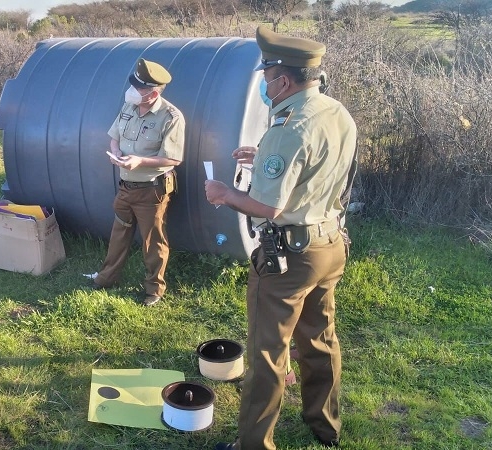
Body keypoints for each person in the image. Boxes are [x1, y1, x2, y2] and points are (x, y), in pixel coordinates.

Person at [205, 26, 357, 449]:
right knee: (320, 339)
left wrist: (225, 194)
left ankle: (253, 445)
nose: (265, 85)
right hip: (330, 244)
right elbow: (319, 169)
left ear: (284, 80)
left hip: (291, 256)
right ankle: (326, 427)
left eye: (267, 76)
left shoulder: (287, 127)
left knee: (268, 355)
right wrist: (265, 158)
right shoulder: (335, 112)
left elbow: (268, 208)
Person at [90, 58, 186, 306]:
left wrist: (139, 161)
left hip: (151, 190)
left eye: (139, 89)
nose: (132, 91)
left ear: (152, 94)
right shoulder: (128, 107)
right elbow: (114, 137)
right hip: (125, 186)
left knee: (153, 241)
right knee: (119, 232)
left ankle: (154, 289)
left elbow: (173, 158)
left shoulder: (171, 117)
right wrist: (117, 152)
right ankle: (106, 278)